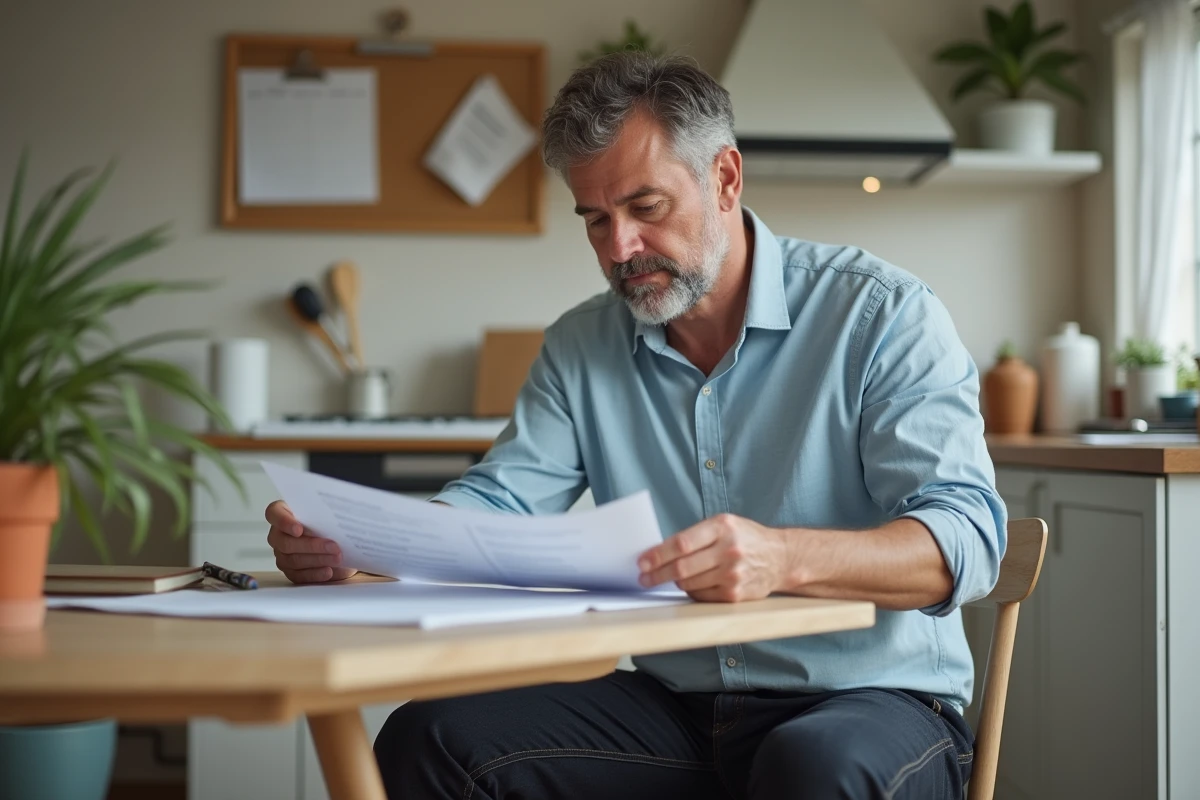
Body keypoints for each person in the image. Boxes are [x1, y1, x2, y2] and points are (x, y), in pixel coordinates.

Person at [265, 52, 1005, 799]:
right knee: (434, 738)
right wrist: (362, 547)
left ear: (724, 178)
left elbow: (966, 541)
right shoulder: (580, 346)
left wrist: (784, 557)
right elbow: (500, 504)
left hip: (873, 703)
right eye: (595, 219)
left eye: (645, 208)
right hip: (677, 712)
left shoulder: (881, 315)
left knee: (812, 767)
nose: (618, 249)